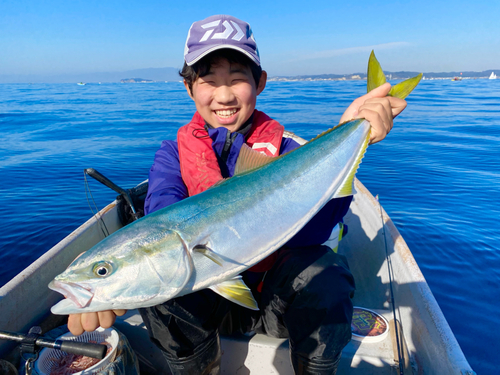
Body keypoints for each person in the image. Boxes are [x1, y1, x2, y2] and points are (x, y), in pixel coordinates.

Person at [67, 15, 407, 374]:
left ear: (259, 83)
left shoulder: (288, 153)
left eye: (238, 79)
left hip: (275, 302)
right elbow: (161, 219)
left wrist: (352, 133)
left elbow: (315, 230)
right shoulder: (172, 156)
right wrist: (109, 287)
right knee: (159, 292)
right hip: (205, 309)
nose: (224, 95)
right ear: (189, 88)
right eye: (209, 81)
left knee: (326, 274)